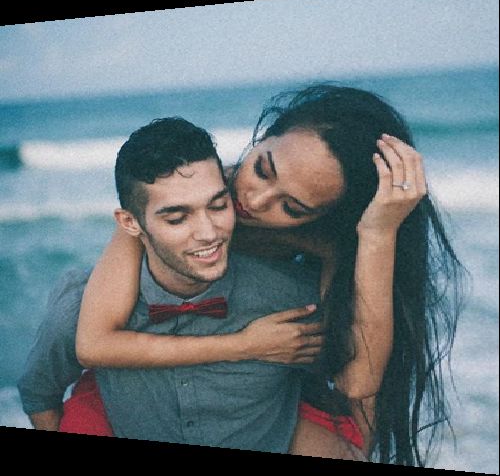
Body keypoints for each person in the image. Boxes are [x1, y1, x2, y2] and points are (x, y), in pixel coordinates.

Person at [64, 84, 465, 465]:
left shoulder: (330, 242)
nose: (254, 201)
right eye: (262, 169)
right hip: (164, 383)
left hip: (274, 393)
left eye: (291, 208)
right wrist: (246, 345)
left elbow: (358, 385)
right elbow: (94, 343)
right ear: (265, 136)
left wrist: (379, 232)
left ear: (325, 217)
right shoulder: (182, 196)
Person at [17, 117, 332, 454]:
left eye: (218, 205)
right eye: (177, 218)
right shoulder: (80, 313)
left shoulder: (291, 298)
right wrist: (244, 345)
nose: (208, 233)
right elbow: (39, 394)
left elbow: (352, 387)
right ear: (130, 223)